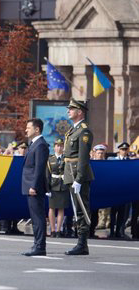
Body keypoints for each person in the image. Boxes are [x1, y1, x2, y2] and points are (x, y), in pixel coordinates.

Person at [63, 99, 94, 256]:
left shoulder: (84, 131)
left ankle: (82, 244)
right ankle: (80, 242)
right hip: (70, 173)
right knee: (76, 209)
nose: (69, 111)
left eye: (72, 109)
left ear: (80, 112)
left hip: (78, 174)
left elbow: (83, 158)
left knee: (81, 209)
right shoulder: (72, 130)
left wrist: (79, 179)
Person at [21, 119, 50, 256]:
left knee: (38, 217)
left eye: (28, 128)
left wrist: (34, 186)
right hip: (30, 185)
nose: (26, 130)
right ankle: (37, 244)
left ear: (37, 129)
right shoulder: (33, 144)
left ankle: (40, 246)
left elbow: (39, 168)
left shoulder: (40, 145)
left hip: (34, 187)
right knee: (35, 217)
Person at [46, 138, 69, 238]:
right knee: (51, 208)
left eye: (61, 146)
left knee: (61, 209)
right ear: (54, 147)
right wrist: (47, 189)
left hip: (63, 185)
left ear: (63, 147)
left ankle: (59, 230)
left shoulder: (66, 159)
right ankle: (52, 230)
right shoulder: (50, 159)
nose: (59, 148)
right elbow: (47, 175)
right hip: (53, 186)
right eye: (57, 146)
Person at [109, 142, 131, 240]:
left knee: (122, 213)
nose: (124, 151)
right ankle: (111, 231)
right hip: (115, 190)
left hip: (124, 191)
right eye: (122, 149)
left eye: (126, 150)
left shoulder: (130, 162)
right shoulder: (113, 161)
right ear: (119, 150)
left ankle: (119, 231)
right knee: (113, 212)